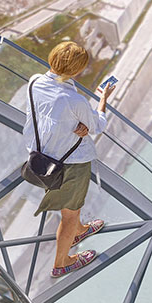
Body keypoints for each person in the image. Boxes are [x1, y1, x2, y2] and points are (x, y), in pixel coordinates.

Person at [24, 40, 114, 278]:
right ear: (76, 71)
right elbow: (97, 125)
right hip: (70, 164)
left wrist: (75, 124)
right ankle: (62, 262)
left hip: (43, 155)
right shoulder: (74, 100)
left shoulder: (34, 82)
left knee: (74, 203)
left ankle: (80, 230)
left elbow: (48, 114)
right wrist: (103, 99)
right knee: (69, 213)